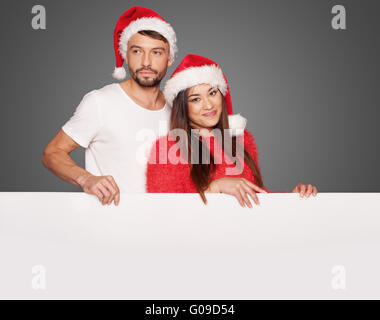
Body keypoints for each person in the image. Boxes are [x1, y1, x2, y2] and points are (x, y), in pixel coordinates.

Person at [41, 6, 179, 206]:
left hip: (166, 227)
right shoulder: (100, 102)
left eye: (156, 52)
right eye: (137, 51)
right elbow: (52, 153)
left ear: (169, 59)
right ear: (125, 55)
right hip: (112, 228)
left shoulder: (177, 109)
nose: (146, 62)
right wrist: (86, 179)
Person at [146, 54, 318, 208]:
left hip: (244, 238)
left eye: (212, 93)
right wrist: (216, 187)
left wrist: (293, 197)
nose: (208, 105)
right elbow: (164, 209)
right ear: (183, 107)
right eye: (196, 99)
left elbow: (254, 197)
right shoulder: (167, 147)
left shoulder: (241, 141)